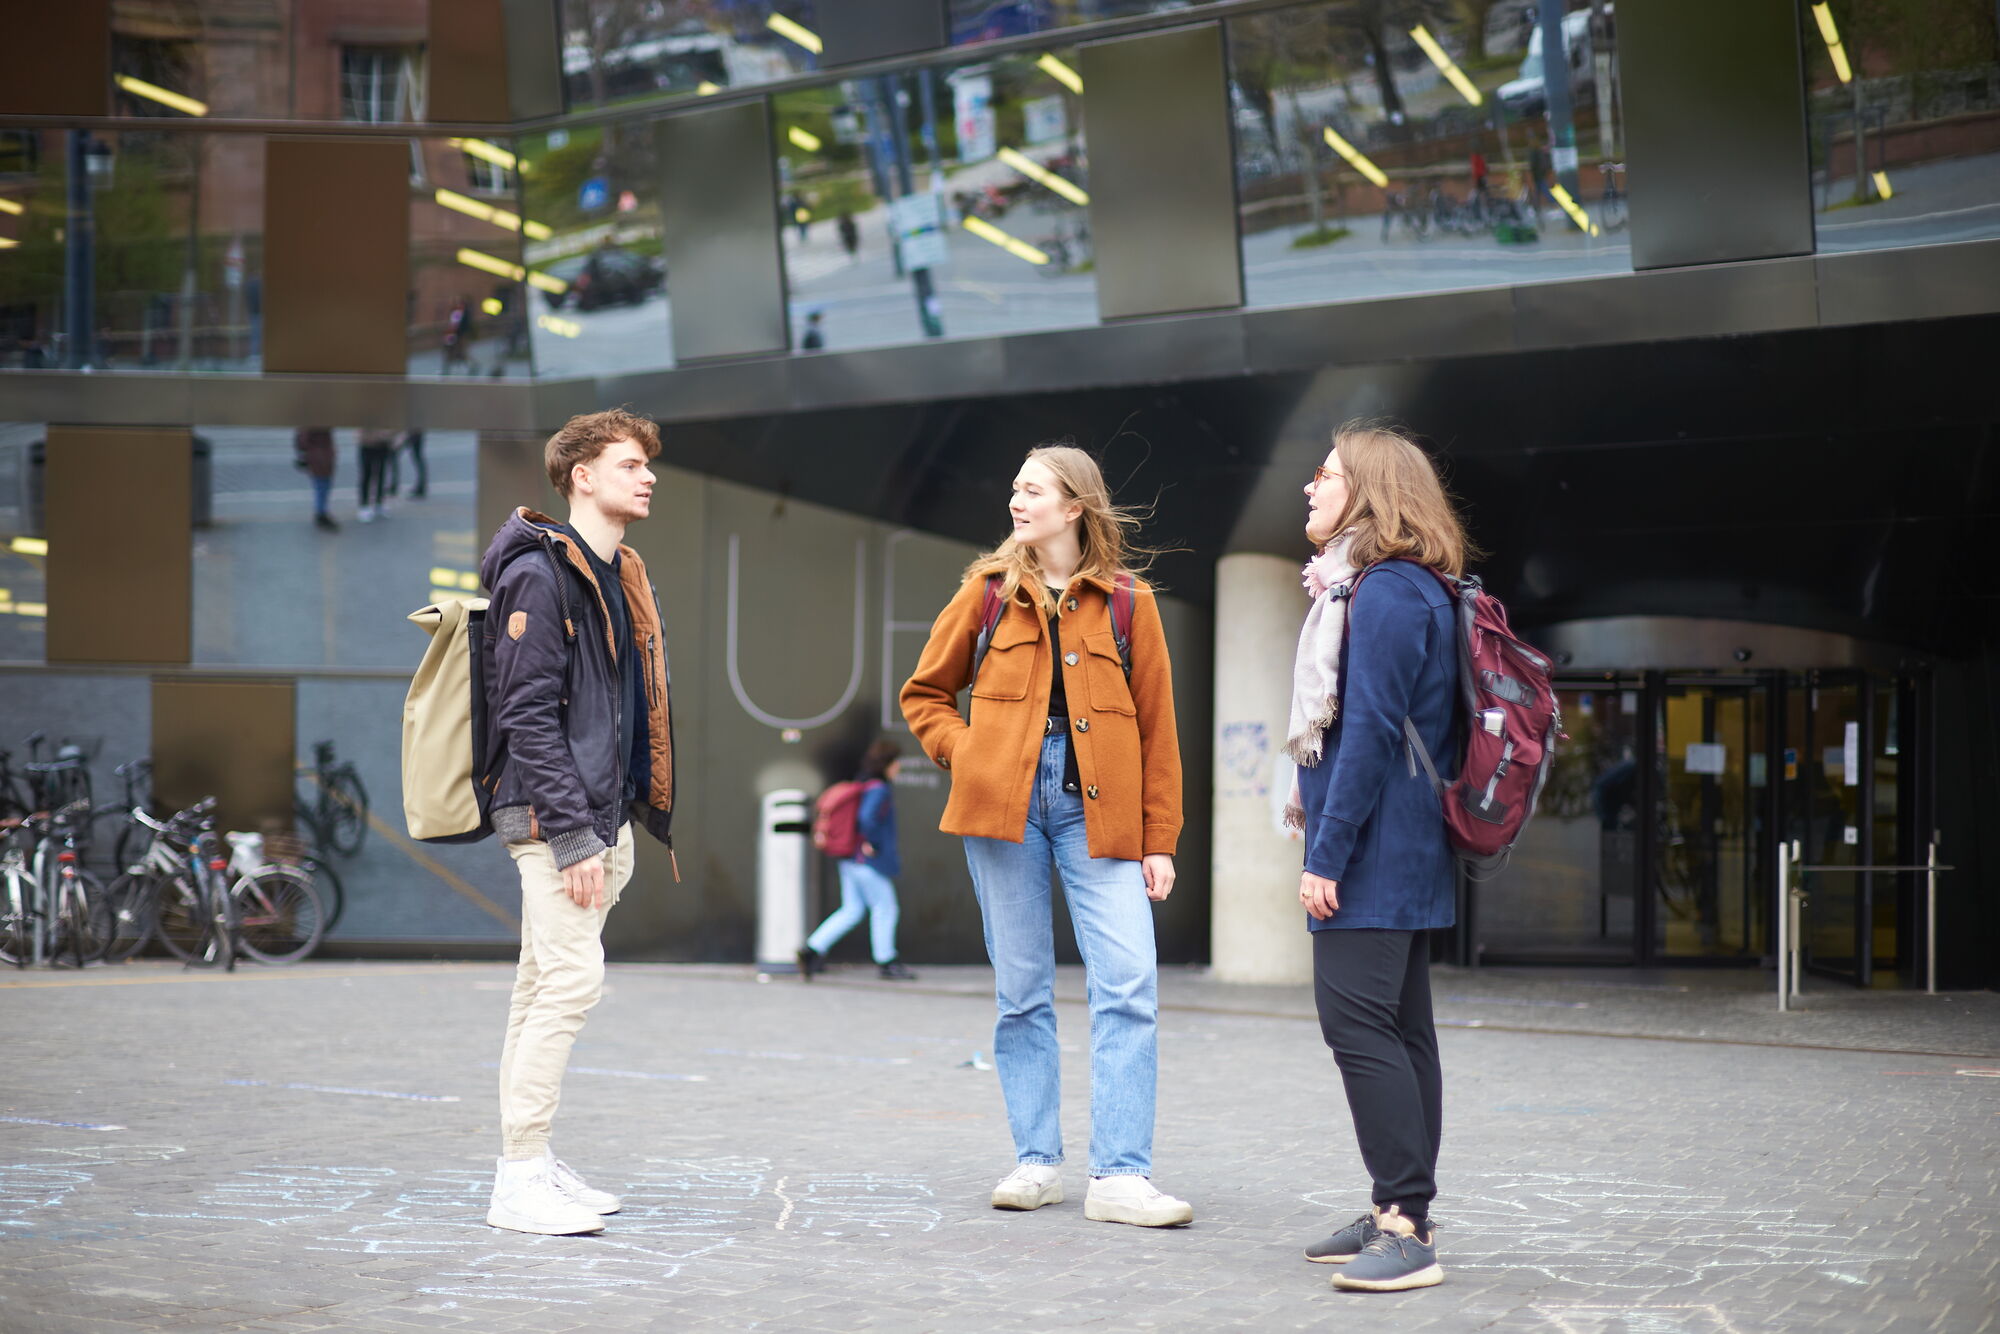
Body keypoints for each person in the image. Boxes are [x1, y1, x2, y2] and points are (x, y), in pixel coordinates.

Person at [901, 442, 1191, 1229]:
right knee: (1021, 992)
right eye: (1014, 488)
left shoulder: (1131, 601)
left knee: (1128, 983)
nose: (1015, 503)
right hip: (1003, 809)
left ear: (1075, 507)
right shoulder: (988, 593)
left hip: (1101, 813)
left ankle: (1121, 1176)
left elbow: (1159, 731)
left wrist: (1159, 838)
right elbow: (925, 693)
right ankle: (1036, 1161)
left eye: (1031, 490)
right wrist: (970, 755)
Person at [478, 408, 678, 1237]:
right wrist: (570, 835)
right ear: (582, 476)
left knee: (538, 987)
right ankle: (518, 1181)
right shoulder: (539, 574)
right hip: (559, 820)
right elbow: (523, 714)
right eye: (630, 464)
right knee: (569, 986)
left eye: (648, 465)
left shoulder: (614, 570)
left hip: (601, 817)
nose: (649, 476)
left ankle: (530, 1159)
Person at [1287, 420, 1473, 1293]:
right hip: (1398, 847)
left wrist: (1324, 856)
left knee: (1358, 1028)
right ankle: (1400, 1206)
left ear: (1367, 490)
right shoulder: (1391, 587)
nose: (1311, 489)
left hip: (1376, 853)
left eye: (1326, 475)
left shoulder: (1390, 593)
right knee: (1400, 1032)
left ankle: (1405, 1225)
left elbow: (1364, 735)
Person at [796, 739, 917, 982]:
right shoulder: (879, 790)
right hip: (866, 860)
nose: (898, 769)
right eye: (896, 764)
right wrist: (871, 843)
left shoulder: (863, 785)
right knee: (886, 908)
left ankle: (811, 949)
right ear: (887, 764)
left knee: (852, 909)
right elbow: (866, 819)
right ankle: (887, 961)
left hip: (850, 858)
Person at [294, 427, 337, 531]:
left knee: (322, 485)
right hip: (320, 457)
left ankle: (321, 512)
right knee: (322, 486)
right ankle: (321, 513)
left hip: (320, 456)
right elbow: (303, 440)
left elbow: (301, 441)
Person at [356, 429, 395, 522]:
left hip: (382, 445)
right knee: (366, 476)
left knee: (381, 475)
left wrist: (388, 435)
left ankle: (379, 503)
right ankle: (364, 506)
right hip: (367, 445)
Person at [399, 429, 428, 500]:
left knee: (418, 459)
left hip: (414, 433)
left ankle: (421, 486)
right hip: (415, 432)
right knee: (418, 459)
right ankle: (421, 486)